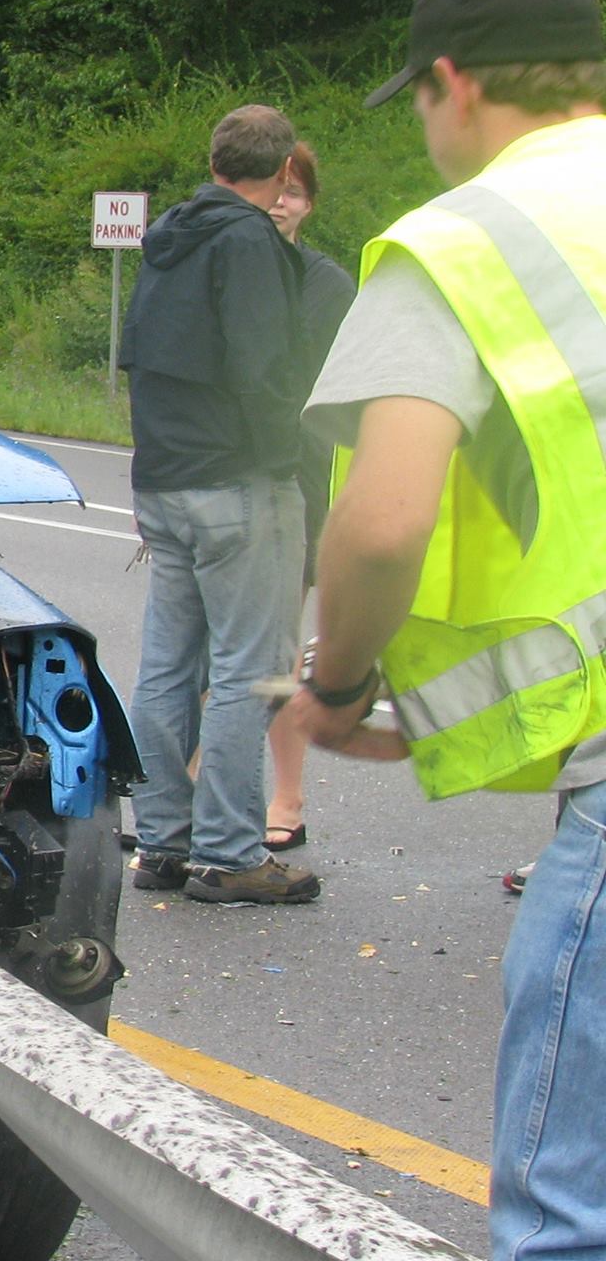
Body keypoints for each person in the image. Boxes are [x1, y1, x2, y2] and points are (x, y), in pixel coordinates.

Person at [283, 0, 606, 1261]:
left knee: (567, 1224)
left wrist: (340, 686)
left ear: (455, 84)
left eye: (418, 102)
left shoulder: (466, 243)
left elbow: (383, 518)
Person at [120, 104, 319, 905]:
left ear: (214, 161)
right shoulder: (249, 242)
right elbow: (264, 368)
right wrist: (290, 460)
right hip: (239, 479)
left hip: (164, 478)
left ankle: (163, 837)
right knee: (250, 666)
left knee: (168, 664)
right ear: (278, 175)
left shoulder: (169, 240)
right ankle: (231, 850)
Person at [262, 142, 358, 850]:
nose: (279, 200)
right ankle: (191, 788)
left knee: (275, 649)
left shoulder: (326, 284)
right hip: (231, 479)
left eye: (293, 191)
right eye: (272, 186)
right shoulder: (228, 270)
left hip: (298, 481)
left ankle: (286, 801)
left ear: (310, 203)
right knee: (217, 647)